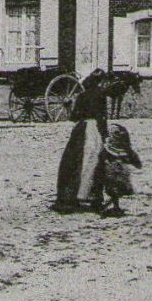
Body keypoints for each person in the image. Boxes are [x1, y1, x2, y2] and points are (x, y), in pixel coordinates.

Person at [54, 68, 109, 213]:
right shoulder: (101, 95)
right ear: (101, 82)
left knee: (74, 161)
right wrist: (105, 135)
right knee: (93, 161)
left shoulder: (81, 95)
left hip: (80, 130)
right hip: (93, 129)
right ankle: (89, 196)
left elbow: (73, 117)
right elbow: (102, 117)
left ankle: (72, 195)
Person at [96, 123, 143, 216]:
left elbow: (100, 159)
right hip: (121, 174)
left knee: (113, 190)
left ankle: (114, 206)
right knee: (118, 189)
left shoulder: (107, 149)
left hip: (111, 173)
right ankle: (115, 206)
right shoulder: (126, 150)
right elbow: (136, 161)